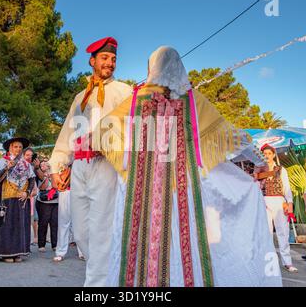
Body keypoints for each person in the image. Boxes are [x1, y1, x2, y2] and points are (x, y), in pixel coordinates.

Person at [96, 46, 281, 286]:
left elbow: (101, 133)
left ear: (151, 69)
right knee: (186, 248)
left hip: (141, 197)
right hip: (184, 195)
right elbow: (233, 137)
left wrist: (129, 161)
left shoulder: (134, 103)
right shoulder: (193, 102)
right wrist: (258, 160)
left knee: (138, 254)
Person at [49, 37, 132, 286]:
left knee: (100, 229)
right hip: (80, 168)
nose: (110, 63)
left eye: (114, 59)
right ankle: (108, 275)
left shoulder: (125, 91)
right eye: (105, 58)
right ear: (93, 61)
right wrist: (57, 165)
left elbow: (132, 127)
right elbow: (67, 132)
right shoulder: (79, 97)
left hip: (106, 166)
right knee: (82, 232)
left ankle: (95, 287)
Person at [0, 137, 35, 263]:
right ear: (10, 148)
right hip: (6, 198)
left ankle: (17, 252)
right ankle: (6, 253)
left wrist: (27, 192)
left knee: (19, 225)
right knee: (7, 225)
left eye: (19, 147)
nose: (18, 149)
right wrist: (7, 167)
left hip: (21, 198)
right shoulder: (3, 161)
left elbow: (31, 179)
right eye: (15, 147)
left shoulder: (26, 164)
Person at [255, 144, 298, 273]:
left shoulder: (281, 169)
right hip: (264, 201)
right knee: (266, 233)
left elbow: (287, 187)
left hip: (279, 201)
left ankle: (287, 262)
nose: (267, 156)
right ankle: (268, 262)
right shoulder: (259, 170)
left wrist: (289, 203)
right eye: (264, 154)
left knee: (283, 232)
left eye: (269, 153)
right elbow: (255, 187)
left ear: (273, 155)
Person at [35, 159, 59, 253]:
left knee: (55, 223)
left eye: (46, 163)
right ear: (40, 167)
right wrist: (45, 177)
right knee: (43, 223)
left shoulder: (54, 173)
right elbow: (42, 187)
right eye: (42, 164)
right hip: (43, 202)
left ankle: (55, 245)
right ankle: (41, 245)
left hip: (56, 201)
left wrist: (51, 175)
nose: (44, 164)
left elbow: (57, 186)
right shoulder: (40, 176)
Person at [23, 148, 39, 246]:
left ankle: (27, 242)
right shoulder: (20, 166)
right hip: (19, 196)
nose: (29, 157)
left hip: (30, 197)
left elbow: (35, 188)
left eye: (31, 155)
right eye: (27, 155)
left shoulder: (32, 167)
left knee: (30, 220)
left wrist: (31, 192)